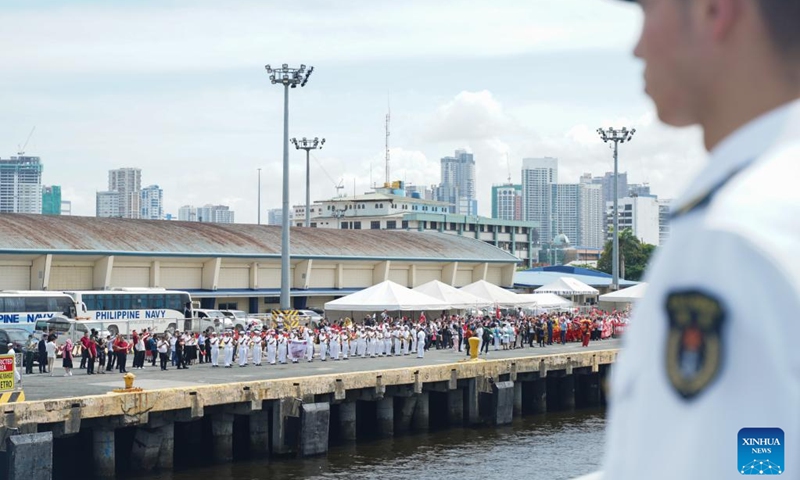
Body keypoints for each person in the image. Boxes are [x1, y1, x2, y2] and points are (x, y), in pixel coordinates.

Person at [603, 1, 800, 479]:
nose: (637, 46)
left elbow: (734, 467)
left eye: (649, 10)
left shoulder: (729, 236)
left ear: (716, 10)